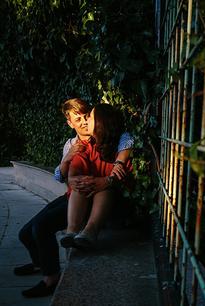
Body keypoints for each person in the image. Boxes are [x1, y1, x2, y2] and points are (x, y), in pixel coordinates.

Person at [15, 98, 133, 298]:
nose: (85, 122)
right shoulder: (72, 144)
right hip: (73, 192)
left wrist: (108, 174)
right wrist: (69, 159)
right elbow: (60, 176)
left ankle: (50, 279)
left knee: (41, 227)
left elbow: (124, 148)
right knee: (25, 234)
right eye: (78, 119)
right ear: (70, 123)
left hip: (90, 196)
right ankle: (40, 263)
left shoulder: (110, 138)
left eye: (87, 117)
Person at [60, 103, 133, 249]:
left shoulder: (121, 145)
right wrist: (76, 180)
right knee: (81, 186)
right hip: (86, 193)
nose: (86, 121)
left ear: (101, 122)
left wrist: (106, 181)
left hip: (115, 199)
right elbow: (74, 168)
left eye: (89, 117)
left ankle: (90, 230)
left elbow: (123, 176)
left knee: (104, 190)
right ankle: (71, 231)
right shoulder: (85, 146)